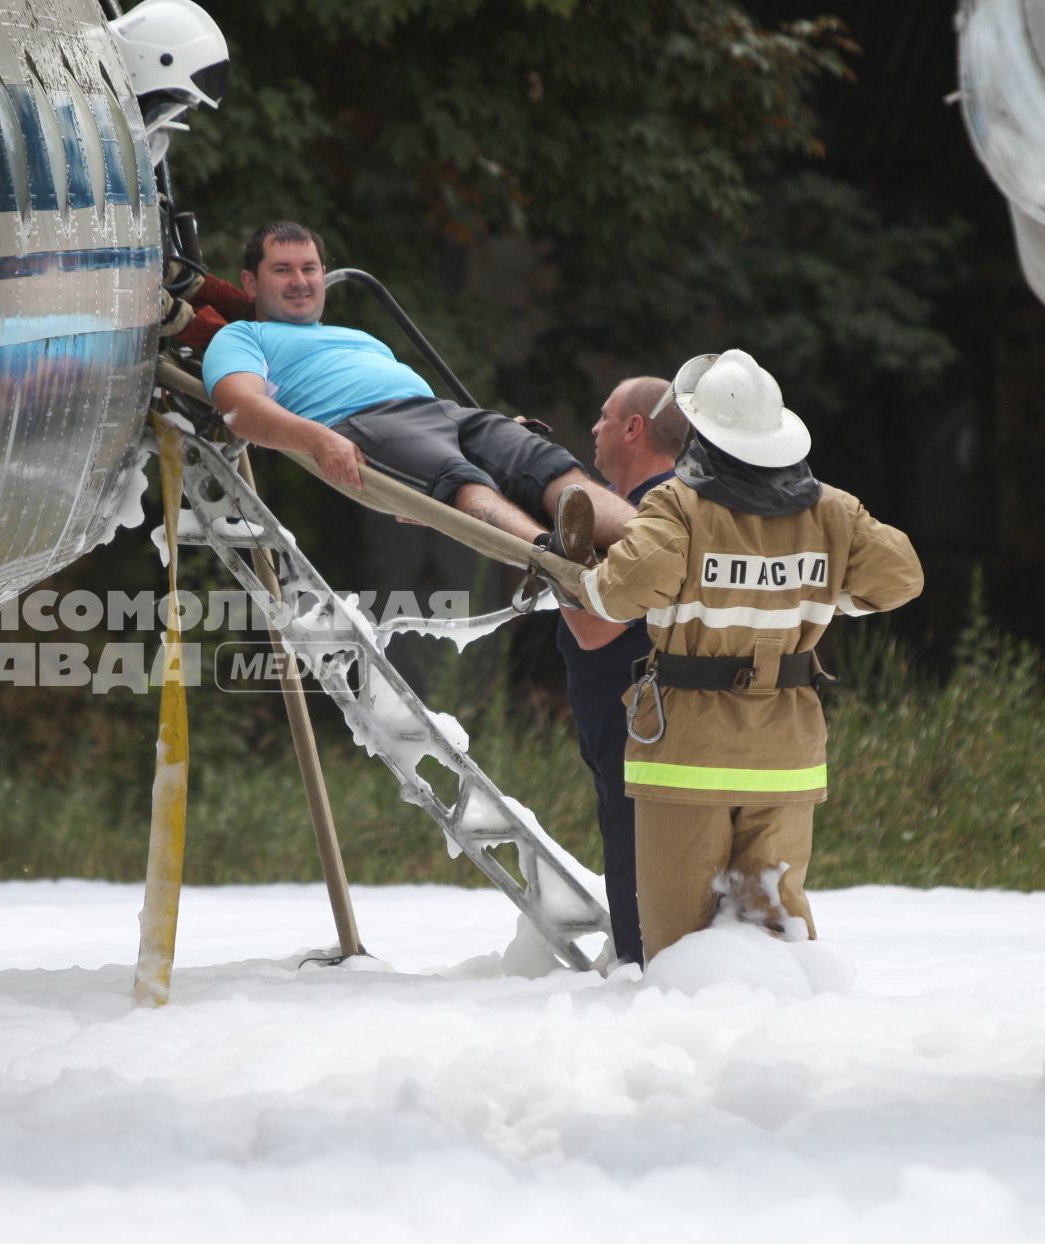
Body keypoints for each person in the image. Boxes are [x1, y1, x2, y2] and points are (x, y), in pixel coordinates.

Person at [564, 350, 923, 961]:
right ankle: (781, 1047)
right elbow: (902, 576)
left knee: (680, 947)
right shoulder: (833, 511)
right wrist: (829, 596)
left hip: (688, 753)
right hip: (785, 754)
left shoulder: (678, 506)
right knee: (777, 931)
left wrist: (576, 570)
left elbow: (618, 595)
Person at [200, 220, 636, 548]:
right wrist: (317, 439)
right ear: (250, 283)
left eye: (309, 268)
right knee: (458, 480)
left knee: (543, 462)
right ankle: (554, 555)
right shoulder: (241, 337)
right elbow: (240, 409)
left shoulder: (357, 337)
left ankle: (654, 545)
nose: (300, 282)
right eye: (282, 270)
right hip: (365, 424)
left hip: (442, 413)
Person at [555, 378, 690, 968]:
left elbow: (594, 628)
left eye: (604, 415)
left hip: (642, 726)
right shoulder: (636, 505)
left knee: (640, 873)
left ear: (634, 428)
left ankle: (646, 983)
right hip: (630, 721)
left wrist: (549, 549)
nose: (594, 427)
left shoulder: (655, 516)